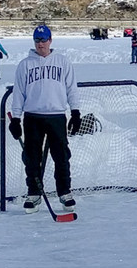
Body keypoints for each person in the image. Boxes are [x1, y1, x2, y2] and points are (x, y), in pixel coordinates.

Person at [6, 25, 82, 210]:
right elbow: (19, 94)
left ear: (50, 40)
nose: (41, 44)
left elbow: (71, 88)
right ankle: (34, 193)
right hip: (33, 117)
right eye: (38, 40)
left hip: (56, 116)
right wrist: (16, 119)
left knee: (61, 156)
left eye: (44, 40)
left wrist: (75, 112)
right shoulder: (25, 65)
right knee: (32, 157)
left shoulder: (62, 62)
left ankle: (64, 192)